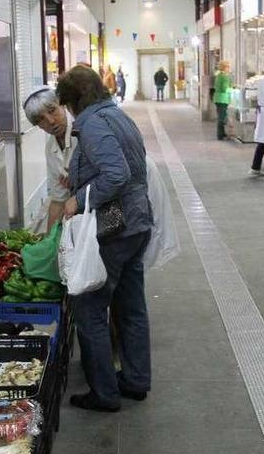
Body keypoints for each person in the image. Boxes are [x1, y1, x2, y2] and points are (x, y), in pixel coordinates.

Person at [57, 65, 153, 412]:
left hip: (116, 223)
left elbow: (116, 173)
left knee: (90, 308)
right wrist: (80, 179)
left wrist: (78, 199)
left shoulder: (93, 123)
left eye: (66, 104)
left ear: (75, 100)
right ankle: (136, 380)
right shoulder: (117, 115)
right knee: (131, 307)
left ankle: (105, 393)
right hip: (138, 220)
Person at [22, 87, 77, 230]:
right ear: (38, 126)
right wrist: (49, 241)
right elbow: (58, 199)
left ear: (62, 105)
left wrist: (79, 179)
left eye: (52, 110)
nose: (51, 121)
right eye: (41, 119)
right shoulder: (50, 148)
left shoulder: (84, 131)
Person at [213, 60, 232, 140]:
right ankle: (220, 135)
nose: (229, 69)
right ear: (225, 68)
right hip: (222, 99)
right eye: (228, 67)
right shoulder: (224, 77)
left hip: (217, 98)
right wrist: (233, 89)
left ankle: (222, 133)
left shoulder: (219, 75)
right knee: (222, 117)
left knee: (221, 116)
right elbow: (225, 89)